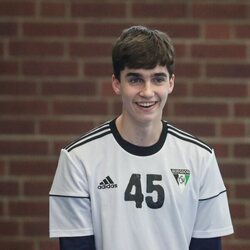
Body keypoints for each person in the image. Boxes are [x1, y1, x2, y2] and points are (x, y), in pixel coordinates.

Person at [49, 25, 233, 250]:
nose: (147, 92)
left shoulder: (200, 159)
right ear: (117, 83)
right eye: (135, 79)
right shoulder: (77, 159)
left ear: (171, 83)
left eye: (157, 79)